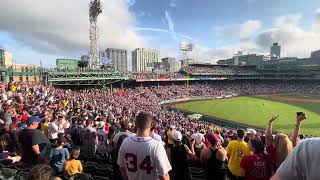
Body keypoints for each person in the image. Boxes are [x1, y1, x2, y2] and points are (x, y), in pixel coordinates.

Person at [117, 112, 172, 180]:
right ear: (151, 125)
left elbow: (122, 168)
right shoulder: (156, 146)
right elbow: (164, 175)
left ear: (136, 124)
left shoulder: (125, 142)